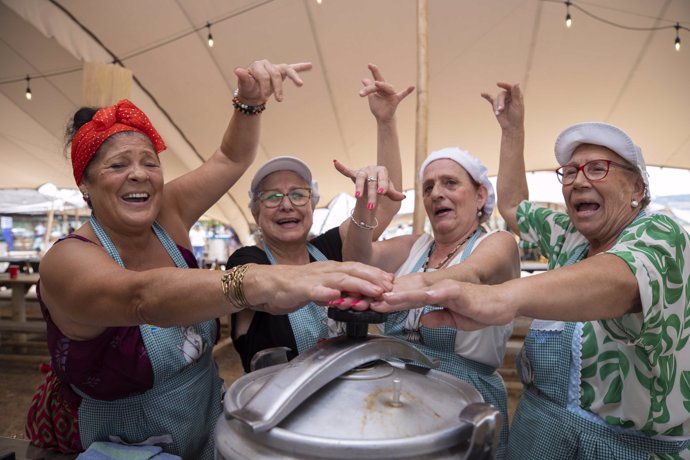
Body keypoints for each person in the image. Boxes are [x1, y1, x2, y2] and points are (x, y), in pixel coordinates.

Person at [24, 59, 395, 460]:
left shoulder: (169, 214)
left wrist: (249, 102)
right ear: (85, 185)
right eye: (118, 165)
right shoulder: (66, 261)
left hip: (207, 429)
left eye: (150, 162)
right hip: (121, 447)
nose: (139, 174)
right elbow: (141, 298)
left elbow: (230, 159)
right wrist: (262, 280)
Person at [375, 83, 690, 459]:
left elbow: (619, 279)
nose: (578, 181)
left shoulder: (661, 233)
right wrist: (512, 131)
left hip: (623, 448)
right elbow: (511, 205)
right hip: (538, 431)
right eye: (570, 172)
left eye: (596, 169)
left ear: (637, 185)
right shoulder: (568, 236)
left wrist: (502, 297)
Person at [228, 63, 413, 372]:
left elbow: (384, 207)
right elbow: (269, 291)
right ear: (255, 213)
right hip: (275, 411)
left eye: (298, 195)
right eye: (272, 197)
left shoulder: (328, 250)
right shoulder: (246, 260)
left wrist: (386, 121)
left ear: (312, 207)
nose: (287, 205)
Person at [342, 146, 520, 459]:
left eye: (450, 183)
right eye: (428, 187)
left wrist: (400, 287)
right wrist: (363, 206)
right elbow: (358, 260)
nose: (436, 193)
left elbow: (472, 275)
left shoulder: (497, 244)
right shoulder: (417, 245)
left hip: (464, 402)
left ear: (480, 195)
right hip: (395, 393)